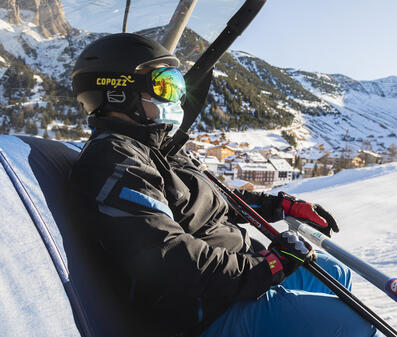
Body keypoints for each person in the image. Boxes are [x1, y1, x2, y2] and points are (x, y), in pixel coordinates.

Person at [70, 33, 378, 337]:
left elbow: (215, 199)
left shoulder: (159, 147)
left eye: (177, 85)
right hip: (205, 312)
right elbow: (168, 258)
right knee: (349, 326)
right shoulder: (114, 159)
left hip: (236, 280)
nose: (176, 97)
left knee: (333, 274)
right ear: (117, 92)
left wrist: (279, 206)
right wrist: (267, 266)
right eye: (164, 85)